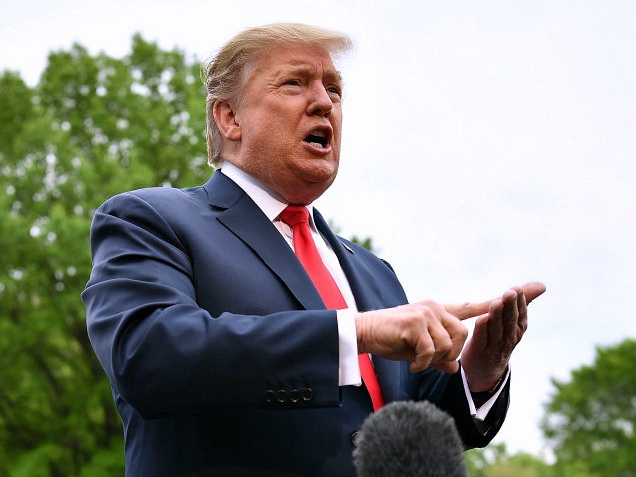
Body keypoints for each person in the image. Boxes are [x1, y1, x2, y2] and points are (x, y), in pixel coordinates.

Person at [82, 23, 546, 476]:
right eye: (294, 83)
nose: (324, 102)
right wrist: (354, 333)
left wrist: (479, 372)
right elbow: (149, 356)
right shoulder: (151, 219)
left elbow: (406, 418)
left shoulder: (374, 272)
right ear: (230, 118)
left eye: (335, 90)